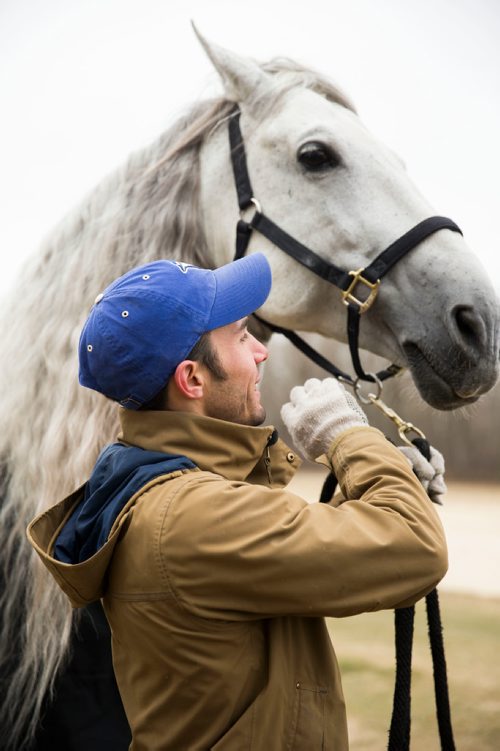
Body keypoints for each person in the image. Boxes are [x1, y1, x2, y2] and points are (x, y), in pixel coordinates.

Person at [27, 253, 448, 750]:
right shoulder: (189, 516)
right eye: (242, 335)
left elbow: (284, 540)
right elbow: (415, 546)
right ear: (193, 380)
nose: (261, 353)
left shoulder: (169, 498)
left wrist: (385, 475)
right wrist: (348, 438)